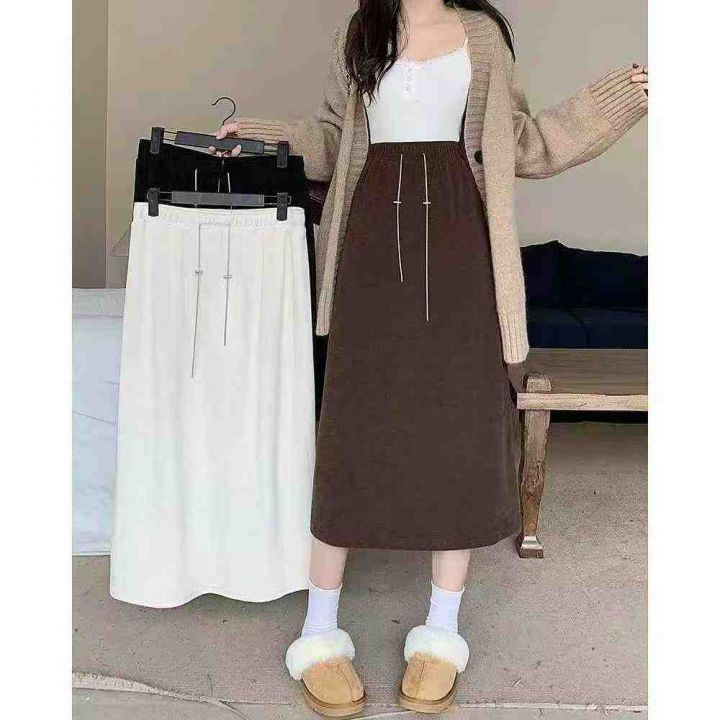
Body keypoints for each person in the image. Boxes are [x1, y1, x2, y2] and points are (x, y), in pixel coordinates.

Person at [210, 0, 648, 715]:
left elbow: (523, 143)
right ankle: (319, 632)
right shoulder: (359, 32)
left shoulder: (484, 38)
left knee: (458, 432)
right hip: (368, 248)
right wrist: (260, 138)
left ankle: (441, 633)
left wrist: (616, 100)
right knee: (352, 434)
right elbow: (333, 141)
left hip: (462, 247)